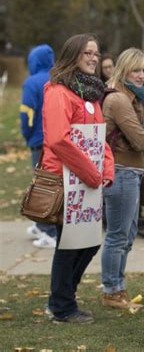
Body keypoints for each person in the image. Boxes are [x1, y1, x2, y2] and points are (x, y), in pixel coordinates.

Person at [43, 34, 114, 323]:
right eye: (87, 52)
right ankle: (62, 306)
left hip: (88, 181)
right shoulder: (58, 92)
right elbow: (59, 140)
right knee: (70, 242)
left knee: (90, 241)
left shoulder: (90, 94)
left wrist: (106, 170)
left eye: (96, 53)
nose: (94, 58)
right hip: (63, 179)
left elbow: (99, 138)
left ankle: (62, 298)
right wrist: (91, 173)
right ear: (72, 55)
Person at [101, 48, 144, 309]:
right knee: (118, 235)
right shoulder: (119, 99)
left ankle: (118, 287)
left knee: (127, 234)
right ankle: (111, 291)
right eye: (136, 70)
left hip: (130, 172)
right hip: (120, 172)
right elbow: (141, 140)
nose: (141, 75)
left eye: (143, 70)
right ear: (124, 70)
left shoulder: (132, 97)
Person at [20, 44, 58, 248]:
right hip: (56, 141)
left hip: (38, 141)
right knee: (51, 185)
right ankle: (39, 224)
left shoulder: (32, 83)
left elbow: (26, 115)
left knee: (41, 188)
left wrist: (27, 136)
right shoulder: (57, 80)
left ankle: (49, 232)